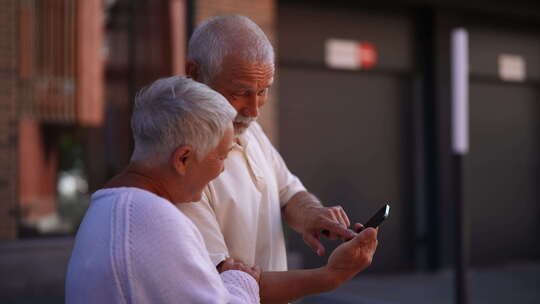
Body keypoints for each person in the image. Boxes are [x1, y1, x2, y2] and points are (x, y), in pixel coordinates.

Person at [180, 15, 379, 303]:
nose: (254, 109)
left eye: (263, 91)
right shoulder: (181, 162)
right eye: (240, 93)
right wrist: (330, 276)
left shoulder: (250, 130)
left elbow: (288, 193)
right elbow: (221, 284)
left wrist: (313, 215)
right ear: (195, 74)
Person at [65, 76, 261, 303]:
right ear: (183, 158)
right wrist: (242, 280)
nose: (222, 170)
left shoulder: (103, 210)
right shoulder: (153, 219)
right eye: (221, 157)